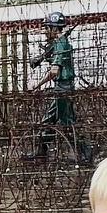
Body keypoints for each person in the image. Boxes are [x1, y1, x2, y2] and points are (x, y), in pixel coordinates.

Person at [29, 11, 77, 150]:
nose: (45, 31)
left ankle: (84, 153)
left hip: (63, 88)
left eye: (47, 28)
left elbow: (54, 71)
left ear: (54, 28)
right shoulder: (59, 43)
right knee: (49, 121)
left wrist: (37, 85)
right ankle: (41, 152)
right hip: (62, 88)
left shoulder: (61, 44)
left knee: (66, 124)